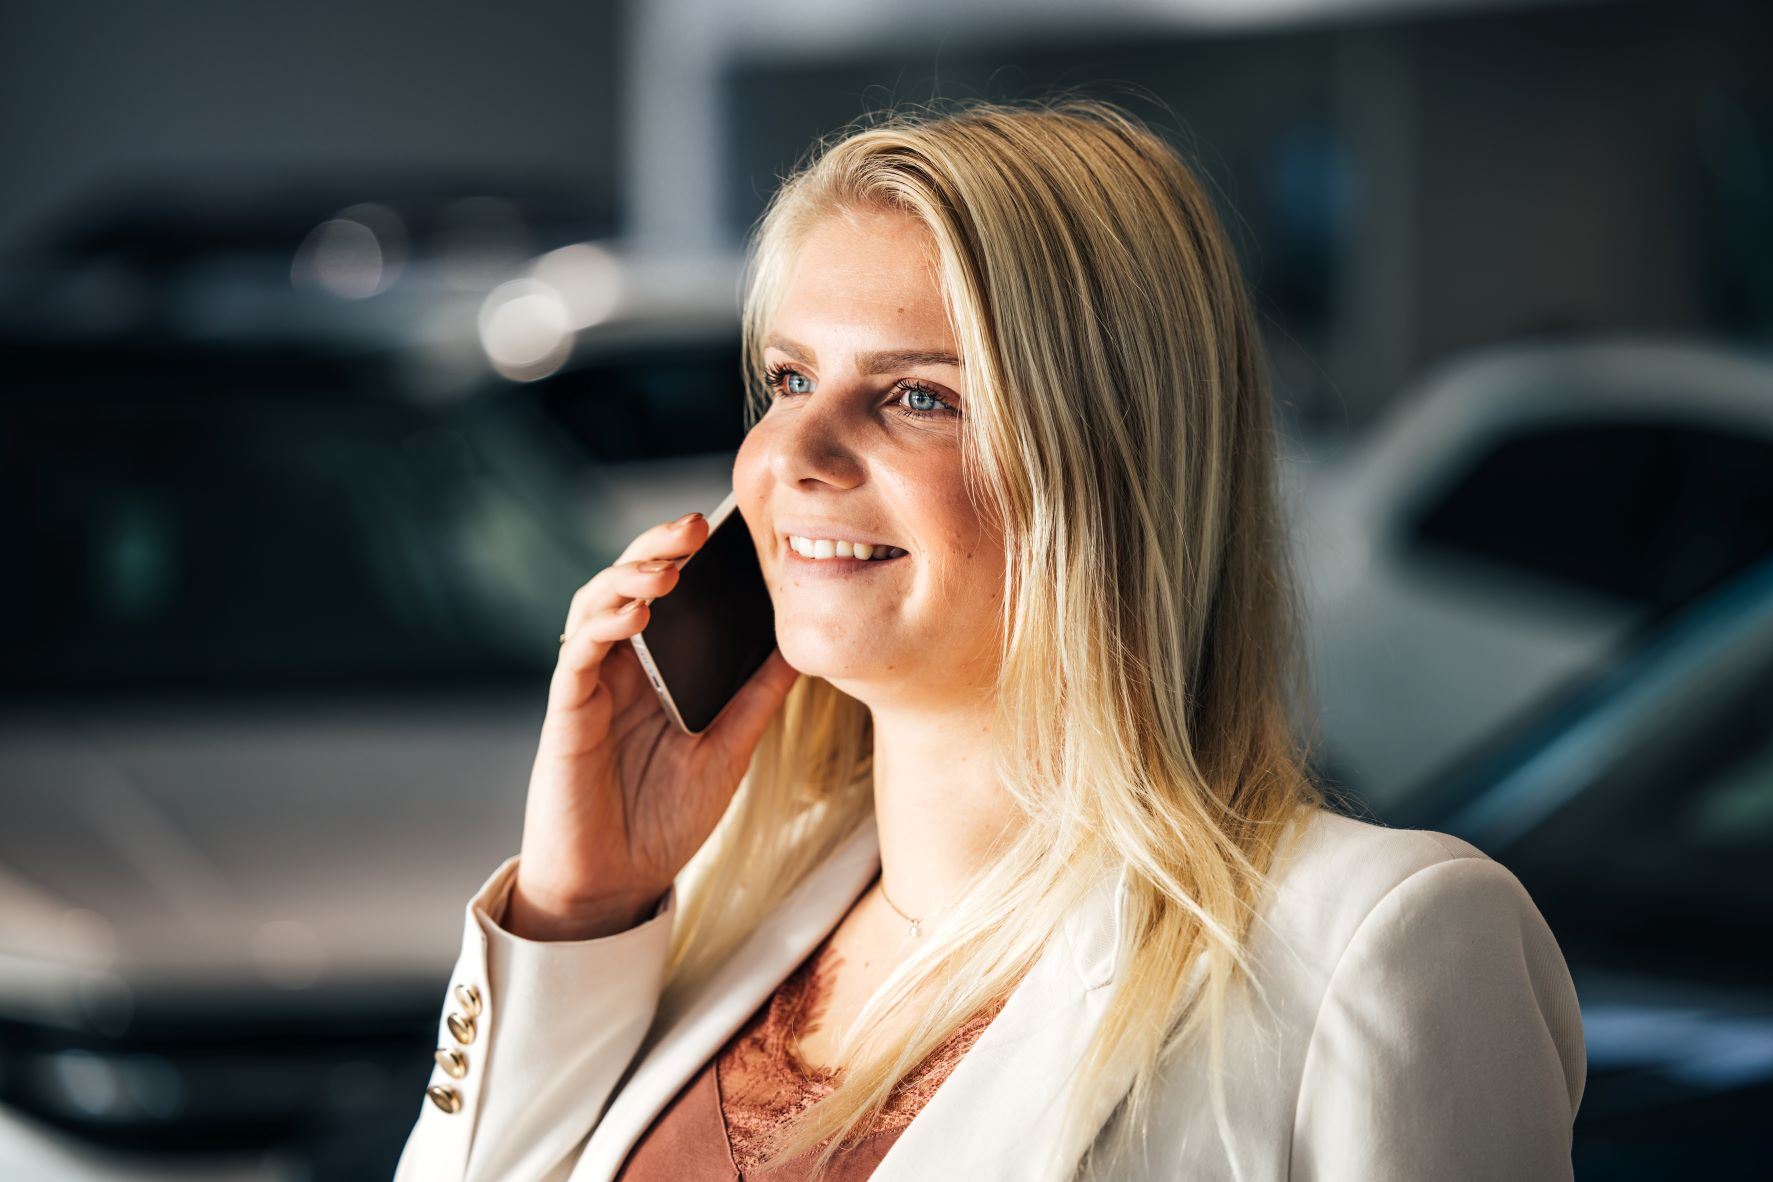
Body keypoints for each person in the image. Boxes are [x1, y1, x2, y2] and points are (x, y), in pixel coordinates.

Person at [393, 98, 1585, 1182]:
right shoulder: (710, 914)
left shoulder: (1384, 948)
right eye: (789, 378)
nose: (793, 457)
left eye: (919, 395)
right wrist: (574, 911)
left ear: (1113, 467)